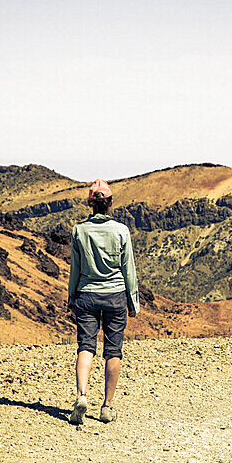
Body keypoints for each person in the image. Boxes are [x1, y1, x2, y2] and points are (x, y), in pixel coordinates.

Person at [67, 179, 140, 425]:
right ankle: (107, 407)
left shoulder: (79, 230)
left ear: (90, 204)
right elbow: (128, 268)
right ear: (110, 203)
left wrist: (71, 297)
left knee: (86, 347)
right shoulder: (121, 231)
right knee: (113, 351)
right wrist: (133, 300)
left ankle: (82, 396)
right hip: (116, 295)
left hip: (86, 295)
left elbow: (75, 269)